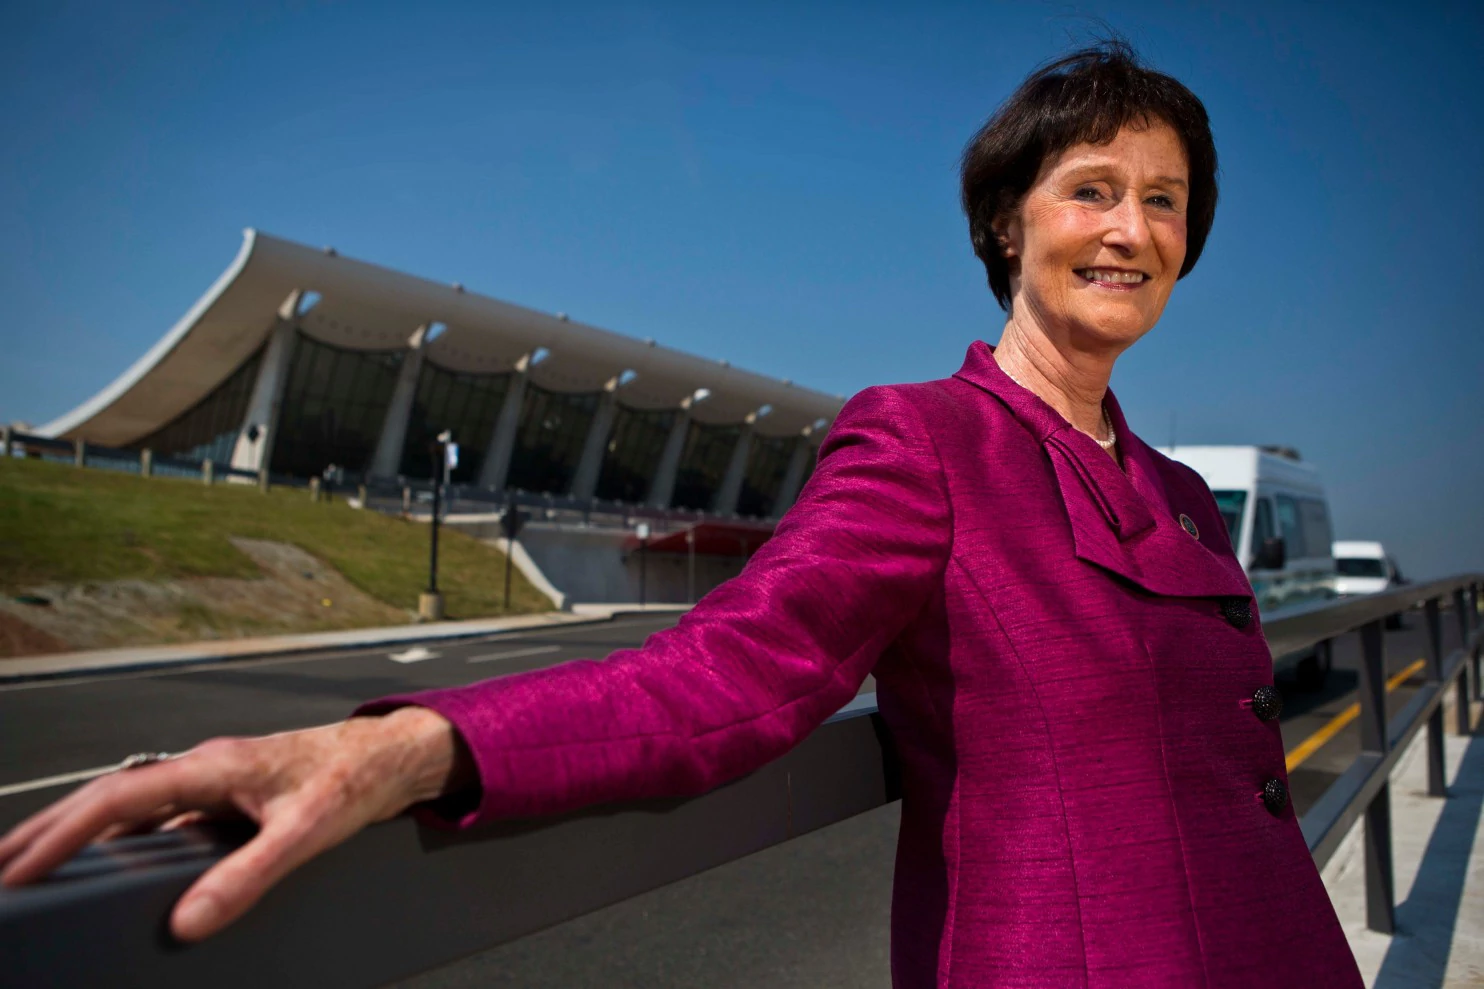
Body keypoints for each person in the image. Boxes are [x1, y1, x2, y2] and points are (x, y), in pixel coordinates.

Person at [0, 42, 1363, 988]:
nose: (1130, 229)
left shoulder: (1177, 491)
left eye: (1165, 201)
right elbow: (732, 670)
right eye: (1093, 190)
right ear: (1010, 225)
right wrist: (406, 751)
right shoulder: (928, 439)